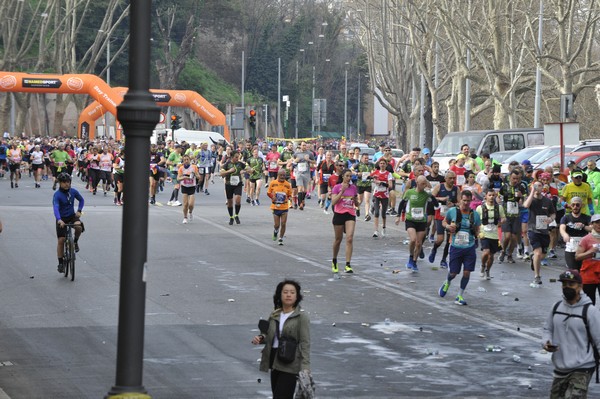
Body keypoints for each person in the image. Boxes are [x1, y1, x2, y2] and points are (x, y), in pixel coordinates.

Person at [542, 270, 600, 398]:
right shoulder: (556, 307)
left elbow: (599, 340)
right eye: (564, 284)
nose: (567, 287)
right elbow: (547, 329)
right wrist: (546, 342)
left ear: (580, 286)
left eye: (571, 284)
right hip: (560, 366)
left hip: (583, 367)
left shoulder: (590, 311)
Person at [252, 280, 311, 399]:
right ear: (280, 295)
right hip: (274, 360)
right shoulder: (275, 314)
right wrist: (260, 338)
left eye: (292, 292)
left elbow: (305, 343)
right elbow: (269, 334)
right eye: (285, 292)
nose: (288, 295)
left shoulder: (301, 317)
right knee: (277, 395)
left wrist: (305, 367)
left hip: (290, 361)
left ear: (297, 296)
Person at [438, 190, 481, 306]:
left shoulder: (475, 215)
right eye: (464, 200)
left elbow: (478, 229)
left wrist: (479, 234)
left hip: (469, 247)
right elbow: (443, 222)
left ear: (471, 200)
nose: (466, 203)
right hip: (456, 246)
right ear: (460, 200)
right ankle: (447, 282)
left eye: (468, 200)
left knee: (467, 273)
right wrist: (447, 226)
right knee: (453, 273)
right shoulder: (453, 212)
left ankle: (460, 295)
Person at [397, 175, 434, 271]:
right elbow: (402, 203)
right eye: (422, 184)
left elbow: (435, 204)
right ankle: (410, 256)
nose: (424, 186)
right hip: (410, 220)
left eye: (425, 184)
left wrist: (431, 195)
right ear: (417, 183)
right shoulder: (409, 192)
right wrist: (398, 216)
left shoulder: (426, 194)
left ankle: (414, 262)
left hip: (421, 221)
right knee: (413, 240)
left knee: (418, 243)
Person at [524, 180, 556, 287]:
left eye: (539, 186)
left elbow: (553, 214)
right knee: (538, 252)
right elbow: (525, 205)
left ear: (543, 188)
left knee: (542, 255)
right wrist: (532, 191)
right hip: (533, 230)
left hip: (544, 231)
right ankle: (537, 277)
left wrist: (550, 219)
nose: (538, 187)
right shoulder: (531, 199)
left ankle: (534, 259)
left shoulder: (547, 201)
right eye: (535, 185)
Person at [52, 173, 84, 274]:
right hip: (61, 219)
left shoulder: (73, 191)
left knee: (78, 227)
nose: (67, 184)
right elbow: (56, 208)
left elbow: (81, 200)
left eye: (68, 182)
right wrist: (59, 219)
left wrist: (79, 210)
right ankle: (61, 263)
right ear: (60, 183)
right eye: (64, 182)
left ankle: (75, 241)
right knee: (61, 240)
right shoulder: (57, 195)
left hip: (71, 216)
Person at [331, 169, 358, 274]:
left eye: (350, 176)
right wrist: (342, 191)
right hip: (339, 214)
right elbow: (333, 202)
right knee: (338, 240)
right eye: (347, 176)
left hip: (350, 214)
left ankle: (348, 264)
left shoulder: (353, 188)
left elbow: (357, 204)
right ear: (342, 176)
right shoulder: (337, 187)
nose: (349, 178)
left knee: (349, 238)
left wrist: (355, 200)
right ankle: (334, 260)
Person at [476, 189, 505, 280]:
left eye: (493, 195)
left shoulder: (499, 208)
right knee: (486, 252)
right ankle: (482, 266)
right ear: (486, 196)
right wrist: (478, 232)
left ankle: (488, 270)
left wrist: (501, 222)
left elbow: (504, 218)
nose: (491, 197)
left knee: (491, 255)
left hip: (494, 234)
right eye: (490, 195)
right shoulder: (480, 208)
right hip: (484, 233)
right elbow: (476, 221)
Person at [560, 197, 591, 270]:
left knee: (583, 270)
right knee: (573, 271)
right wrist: (565, 235)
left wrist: (583, 226)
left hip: (583, 247)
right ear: (570, 205)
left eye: (577, 205)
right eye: (573, 205)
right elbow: (562, 228)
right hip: (570, 247)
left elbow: (592, 229)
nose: (575, 207)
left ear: (581, 206)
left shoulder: (586, 217)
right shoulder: (566, 218)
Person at [575, 214, 600, 306]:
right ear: (592, 224)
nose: (599, 225)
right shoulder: (586, 239)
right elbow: (577, 257)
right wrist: (590, 252)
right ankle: (589, 319)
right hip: (589, 274)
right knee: (589, 303)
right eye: (597, 222)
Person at [220, 151, 250, 225]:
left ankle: (236, 215)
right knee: (230, 203)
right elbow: (221, 173)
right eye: (236, 157)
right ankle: (231, 217)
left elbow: (248, 168)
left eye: (238, 157)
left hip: (238, 184)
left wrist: (246, 170)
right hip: (229, 184)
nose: (237, 158)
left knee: (238, 200)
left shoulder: (240, 163)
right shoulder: (227, 164)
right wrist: (229, 171)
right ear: (232, 157)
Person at [267, 169, 293, 245]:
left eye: (284, 175)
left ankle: (281, 238)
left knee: (283, 223)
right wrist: (273, 197)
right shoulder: (273, 183)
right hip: (276, 206)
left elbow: (290, 195)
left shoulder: (288, 184)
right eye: (281, 175)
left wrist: (289, 199)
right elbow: (268, 193)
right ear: (278, 175)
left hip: (284, 207)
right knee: (277, 225)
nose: (282, 177)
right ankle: (275, 232)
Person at [177, 155, 202, 224]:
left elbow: (199, 176)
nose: (186, 161)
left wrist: (195, 175)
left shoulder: (194, 167)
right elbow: (178, 178)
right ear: (183, 161)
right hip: (184, 186)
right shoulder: (181, 168)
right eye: (185, 160)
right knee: (185, 204)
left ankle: (190, 212)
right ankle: (185, 217)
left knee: (191, 204)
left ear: (190, 160)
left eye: (187, 159)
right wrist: (184, 177)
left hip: (192, 186)